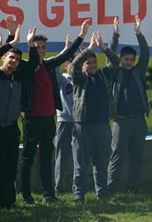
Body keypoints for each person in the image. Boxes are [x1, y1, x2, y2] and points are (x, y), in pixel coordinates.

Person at [19, 20, 88, 204]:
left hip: (48, 118)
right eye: (37, 47)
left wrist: (81, 35)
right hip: (32, 118)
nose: (40, 50)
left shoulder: (49, 65)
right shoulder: (26, 66)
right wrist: (29, 45)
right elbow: (32, 62)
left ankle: (48, 194)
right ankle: (26, 196)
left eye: (42, 47)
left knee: (46, 157)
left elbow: (68, 53)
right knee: (28, 157)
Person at [0, 18, 39, 212]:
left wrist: (30, 45)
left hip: (11, 126)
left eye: (16, 58)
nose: (14, 61)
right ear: (4, 58)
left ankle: (8, 202)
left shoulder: (18, 76)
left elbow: (32, 65)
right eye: (10, 57)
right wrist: (10, 42)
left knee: (10, 166)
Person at [69, 31, 121, 201]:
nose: (91, 65)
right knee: (81, 165)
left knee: (101, 163)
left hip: (102, 125)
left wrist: (103, 47)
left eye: (93, 62)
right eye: (88, 63)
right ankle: (79, 195)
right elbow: (75, 64)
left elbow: (116, 61)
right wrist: (89, 47)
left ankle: (102, 194)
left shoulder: (104, 75)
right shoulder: (79, 78)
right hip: (82, 125)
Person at [106, 16, 150, 194]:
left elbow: (145, 53)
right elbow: (110, 54)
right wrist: (115, 34)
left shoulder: (138, 71)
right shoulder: (115, 72)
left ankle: (131, 187)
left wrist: (138, 33)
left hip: (139, 120)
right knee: (117, 156)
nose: (129, 62)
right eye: (126, 59)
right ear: (121, 59)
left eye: (132, 59)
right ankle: (109, 190)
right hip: (120, 122)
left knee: (137, 157)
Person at [54, 55, 76, 195]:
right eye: (71, 64)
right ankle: (59, 187)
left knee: (79, 156)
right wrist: (65, 51)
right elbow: (54, 66)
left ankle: (77, 186)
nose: (74, 67)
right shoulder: (63, 78)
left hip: (80, 122)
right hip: (64, 122)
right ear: (66, 66)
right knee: (61, 156)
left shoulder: (83, 78)